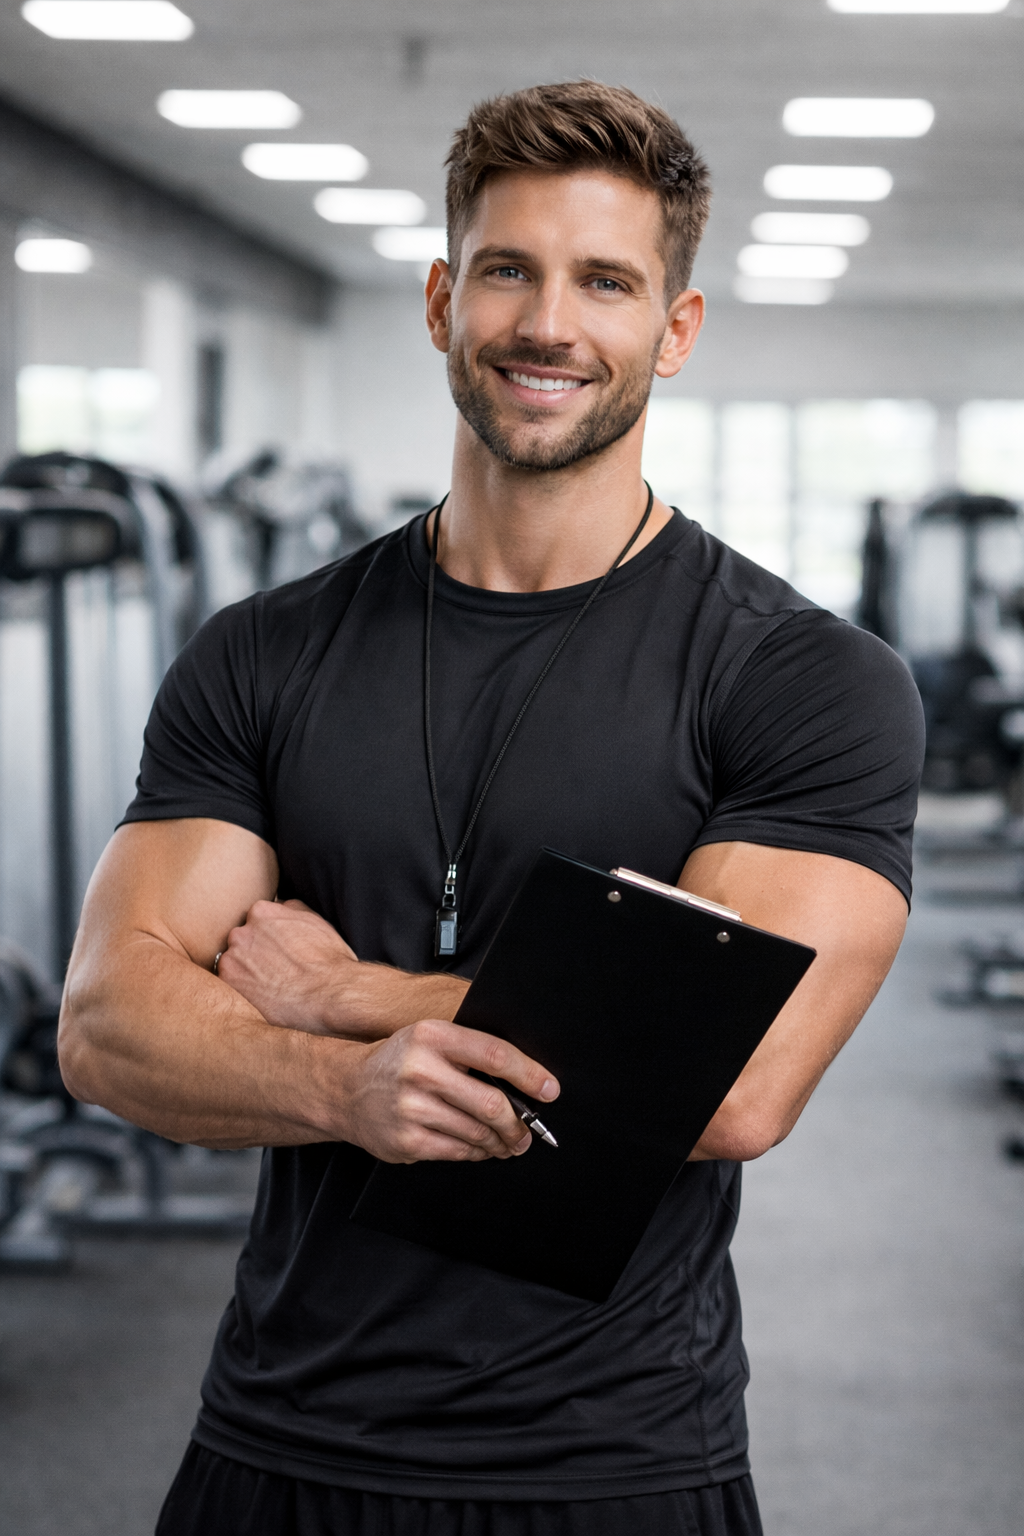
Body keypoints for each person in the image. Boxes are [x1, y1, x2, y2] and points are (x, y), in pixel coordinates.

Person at [60, 80, 924, 1536]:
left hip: (614, 1462)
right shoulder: (265, 651)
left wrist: (351, 996)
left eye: (606, 281)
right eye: (509, 270)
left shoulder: (800, 677)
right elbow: (105, 1024)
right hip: (275, 1443)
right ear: (443, 300)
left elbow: (723, 1085)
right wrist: (346, 1086)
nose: (547, 324)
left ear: (676, 327)